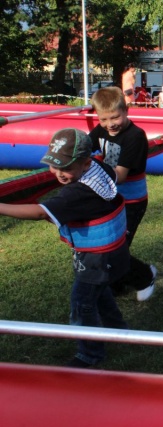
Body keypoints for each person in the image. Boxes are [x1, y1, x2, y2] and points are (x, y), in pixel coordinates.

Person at [0, 128, 132, 368]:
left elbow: (41, 213)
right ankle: (119, 331)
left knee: (81, 304)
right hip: (113, 254)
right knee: (99, 292)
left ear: (85, 163)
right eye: (54, 165)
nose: (58, 173)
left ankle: (90, 354)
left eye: (66, 168)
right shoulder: (99, 168)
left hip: (96, 259)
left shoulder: (78, 192)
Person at [89, 87, 157, 301]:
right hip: (111, 198)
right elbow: (83, 146)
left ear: (126, 110)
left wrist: (90, 168)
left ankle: (144, 276)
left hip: (132, 201)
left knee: (115, 250)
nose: (110, 124)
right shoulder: (101, 130)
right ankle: (116, 286)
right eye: (104, 119)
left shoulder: (135, 136)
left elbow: (119, 176)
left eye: (115, 117)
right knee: (108, 244)